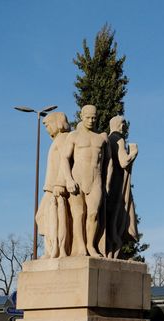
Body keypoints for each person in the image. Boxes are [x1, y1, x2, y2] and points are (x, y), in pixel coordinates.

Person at [61, 105, 108, 257]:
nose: (91, 120)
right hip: (78, 178)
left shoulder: (102, 138)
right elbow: (64, 158)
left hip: (96, 179)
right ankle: (81, 246)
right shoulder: (73, 136)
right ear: (82, 116)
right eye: (88, 117)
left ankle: (90, 245)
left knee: (93, 213)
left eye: (94, 117)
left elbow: (108, 164)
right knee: (78, 214)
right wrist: (68, 179)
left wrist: (107, 184)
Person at [37, 111, 77, 258]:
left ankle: (56, 249)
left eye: (48, 125)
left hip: (56, 187)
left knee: (50, 217)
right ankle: (50, 250)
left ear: (57, 123)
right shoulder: (58, 140)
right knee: (43, 217)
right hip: (51, 186)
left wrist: (60, 183)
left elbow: (65, 161)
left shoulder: (64, 139)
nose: (47, 129)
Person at [104, 115, 138, 258]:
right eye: (123, 124)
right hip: (118, 186)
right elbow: (124, 162)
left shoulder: (108, 139)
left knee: (112, 218)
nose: (125, 127)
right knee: (118, 218)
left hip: (110, 186)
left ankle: (112, 250)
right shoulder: (118, 139)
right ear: (118, 125)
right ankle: (114, 250)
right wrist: (134, 152)